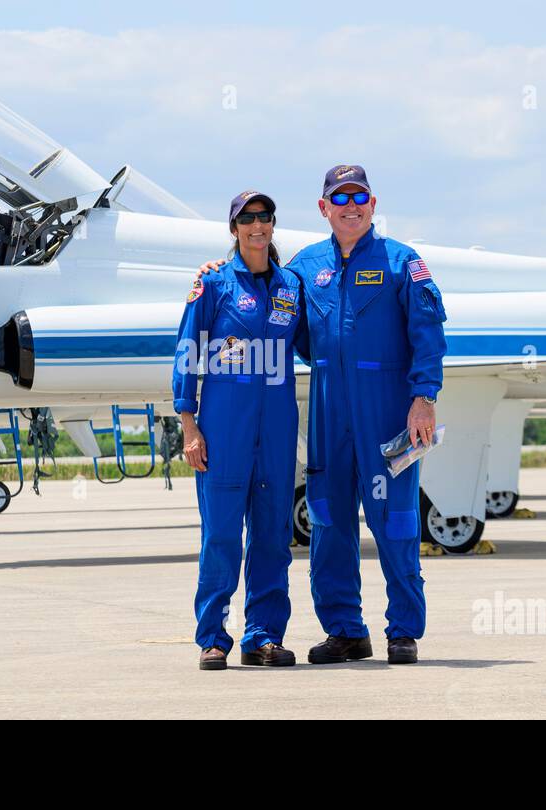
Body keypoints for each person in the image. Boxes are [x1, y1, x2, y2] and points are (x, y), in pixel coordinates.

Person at [197, 166, 447, 665]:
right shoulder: (304, 268)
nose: (350, 206)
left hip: (389, 412)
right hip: (329, 410)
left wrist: (424, 397)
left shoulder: (403, 262)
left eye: (359, 197)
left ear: (373, 205)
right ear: (323, 208)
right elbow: (266, 303)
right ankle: (345, 630)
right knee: (329, 522)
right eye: (340, 198)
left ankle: (403, 630)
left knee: (395, 519)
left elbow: (429, 332)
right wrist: (214, 276)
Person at [172, 190, 309, 670]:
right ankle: (213, 636)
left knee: (272, 536)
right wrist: (189, 425)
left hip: (275, 428)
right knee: (222, 538)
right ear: (234, 228)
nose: (257, 225)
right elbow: (188, 354)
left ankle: (263, 637)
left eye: (264, 217)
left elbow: (320, 338)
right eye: (247, 218)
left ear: (273, 224)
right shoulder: (212, 285)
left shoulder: (292, 285)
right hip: (224, 427)